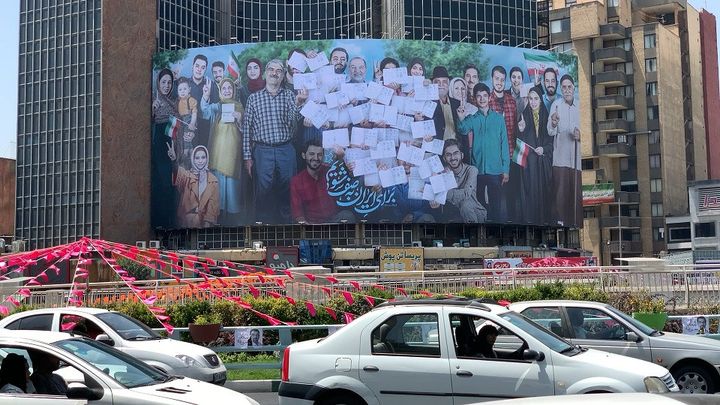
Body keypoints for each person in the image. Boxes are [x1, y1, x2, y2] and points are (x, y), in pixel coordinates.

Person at [242, 59, 308, 223]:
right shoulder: (254, 98)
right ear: (265, 73)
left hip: (286, 149)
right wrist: (247, 157)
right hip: (262, 151)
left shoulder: (289, 96)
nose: (274, 73)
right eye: (271, 69)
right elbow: (246, 130)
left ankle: (287, 228)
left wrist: (298, 104)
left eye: (278, 71)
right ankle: (263, 228)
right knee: (263, 191)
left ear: (283, 75)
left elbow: (293, 124)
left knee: (287, 190)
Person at [457, 83, 509, 223]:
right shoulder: (472, 118)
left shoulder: (498, 119)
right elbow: (463, 130)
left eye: (484, 96)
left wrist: (506, 170)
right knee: (479, 204)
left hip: (495, 169)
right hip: (477, 170)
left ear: (489, 97)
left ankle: (496, 231)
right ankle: (481, 231)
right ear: (475, 98)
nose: (482, 99)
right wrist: (461, 117)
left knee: (496, 204)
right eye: (478, 96)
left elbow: (504, 145)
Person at [201, 77, 245, 224]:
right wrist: (205, 96)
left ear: (233, 90)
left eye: (229, 88)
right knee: (217, 185)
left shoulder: (239, 106)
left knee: (232, 187)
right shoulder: (216, 106)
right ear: (220, 90)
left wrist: (240, 118)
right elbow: (205, 113)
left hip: (232, 154)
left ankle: (232, 219)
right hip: (217, 153)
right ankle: (217, 216)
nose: (227, 91)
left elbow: (245, 129)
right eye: (224, 88)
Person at [515, 86, 553, 225]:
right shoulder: (523, 116)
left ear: (541, 100)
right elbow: (518, 142)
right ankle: (529, 221)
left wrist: (544, 149)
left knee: (544, 194)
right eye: (530, 99)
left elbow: (552, 142)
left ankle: (544, 221)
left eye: (536, 98)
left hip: (543, 166)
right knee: (528, 192)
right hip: (529, 166)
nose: (533, 102)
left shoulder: (547, 116)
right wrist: (521, 130)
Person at [547, 74, 581, 227]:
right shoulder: (556, 105)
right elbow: (549, 131)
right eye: (564, 87)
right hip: (560, 158)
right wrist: (554, 123)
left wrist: (580, 135)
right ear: (561, 89)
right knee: (560, 194)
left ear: (574, 88)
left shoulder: (580, 106)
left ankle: (574, 222)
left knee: (575, 194)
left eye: (569, 87)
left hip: (576, 160)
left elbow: (586, 130)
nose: (567, 90)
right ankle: (560, 222)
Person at [487, 65, 517, 222]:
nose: (499, 82)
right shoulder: (486, 101)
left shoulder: (511, 101)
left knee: (511, 194)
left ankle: (511, 222)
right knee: (494, 197)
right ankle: (495, 223)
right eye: (496, 78)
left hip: (510, 156)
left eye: (502, 79)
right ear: (492, 79)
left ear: (505, 82)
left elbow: (514, 131)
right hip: (492, 159)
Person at [290, 140, 342, 224]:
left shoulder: (330, 172)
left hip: (334, 222)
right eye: (311, 154)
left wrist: (340, 157)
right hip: (312, 225)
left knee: (348, 215)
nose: (316, 158)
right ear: (304, 155)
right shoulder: (296, 181)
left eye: (320, 155)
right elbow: (297, 213)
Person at [168, 144, 220, 228]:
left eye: (203, 157)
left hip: (204, 224)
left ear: (207, 159)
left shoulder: (213, 180)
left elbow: (212, 206)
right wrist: (174, 160)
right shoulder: (187, 175)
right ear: (193, 159)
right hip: (185, 223)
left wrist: (206, 226)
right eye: (197, 158)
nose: (200, 161)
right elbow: (177, 172)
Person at [151, 68, 178, 229]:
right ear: (158, 83)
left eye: (169, 82)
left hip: (172, 148)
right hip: (157, 148)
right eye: (163, 82)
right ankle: (160, 222)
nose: (166, 86)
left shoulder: (174, 103)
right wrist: (152, 111)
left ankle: (168, 222)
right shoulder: (153, 102)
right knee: (159, 184)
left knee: (171, 184)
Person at [442, 140, 486, 223]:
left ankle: (475, 234)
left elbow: (466, 193)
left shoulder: (472, 170)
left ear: (462, 155)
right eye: (448, 155)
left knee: (465, 204)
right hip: (455, 214)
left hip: (475, 213)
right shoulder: (443, 173)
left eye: (456, 153)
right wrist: (446, 177)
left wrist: (444, 194)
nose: (452, 158)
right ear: (444, 158)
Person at [431, 66, 463, 148]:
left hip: (456, 149)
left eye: (444, 81)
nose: (441, 85)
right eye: (437, 82)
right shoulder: (428, 104)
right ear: (432, 84)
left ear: (448, 84)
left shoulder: (457, 104)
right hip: (437, 150)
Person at [175, 77, 198, 167]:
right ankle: (185, 166)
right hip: (181, 124)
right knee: (184, 144)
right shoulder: (178, 102)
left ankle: (193, 164)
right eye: (180, 89)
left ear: (189, 89)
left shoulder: (191, 100)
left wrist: (192, 123)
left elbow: (194, 113)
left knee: (188, 144)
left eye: (185, 89)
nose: (182, 91)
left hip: (189, 123)